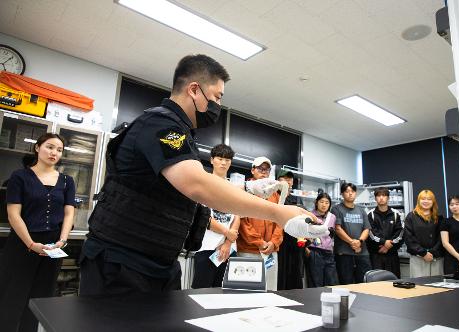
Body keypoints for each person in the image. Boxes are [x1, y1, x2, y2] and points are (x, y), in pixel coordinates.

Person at [79, 54, 327, 297]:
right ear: (194, 90)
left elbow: (187, 186)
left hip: (156, 262)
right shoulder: (161, 124)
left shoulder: (183, 134)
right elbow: (198, 185)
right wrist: (278, 213)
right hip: (121, 263)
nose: (218, 106)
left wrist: (248, 189)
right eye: (217, 97)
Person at [0, 133, 76, 332]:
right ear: (37, 148)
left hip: (53, 246)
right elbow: (13, 214)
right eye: (50, 147)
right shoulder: (20, 177)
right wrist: (31, 244)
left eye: (59, 150)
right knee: (13, 294)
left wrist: (62, 240)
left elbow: (69, 212)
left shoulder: (67, 181)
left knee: (41, 296)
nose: (54, 153)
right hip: (23, 244)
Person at [191, 144, 240, 288]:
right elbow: (202, 217)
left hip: (229, 249)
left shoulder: (234, 188)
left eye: (227, 160)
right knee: (201, 292)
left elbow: (237, 216)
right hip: (206, 246)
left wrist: (228, 242)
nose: (224, 163)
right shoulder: (203, 183)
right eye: (220, 158)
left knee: (226, 293)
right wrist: (227, 233)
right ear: (212, 160)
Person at [237, 157, 283, 291]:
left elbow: (281, 221)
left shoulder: (275, 194)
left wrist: (273, 243)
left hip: (270, 251)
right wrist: (259, 242)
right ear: (252, 170)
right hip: (248, 250)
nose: (263, 172)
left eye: (266, 169)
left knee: (270, 290)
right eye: (260, 169)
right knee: (248, 291)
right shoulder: (244, 190)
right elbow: (242, 221)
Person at [332, 182, 372, 284]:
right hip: (344, 253)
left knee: (364, 282)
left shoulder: (361, 210)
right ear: (342, 194)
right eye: (347, 191)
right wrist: (352, 242)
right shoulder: (336, 209)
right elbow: (337, 228)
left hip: (362, 253)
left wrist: (359, 241)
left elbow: (366, 229)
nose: (350, 194)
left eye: (352, 191)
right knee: (346, 283)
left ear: (356, 193)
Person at [404, 189, 443, 277]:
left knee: (437, 285)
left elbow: (441, 238)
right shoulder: (411, 216)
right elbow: (408, 237)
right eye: (423, 199)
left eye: (429, 199)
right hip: (418, 258)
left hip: (436, 258)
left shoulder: (439, 218)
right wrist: (423, 253)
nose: (426, 201)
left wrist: (432, 252)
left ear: (433, 201)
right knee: (420, 286)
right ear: (419, 200)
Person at [367, 187, 404, 278]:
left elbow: (400, 233)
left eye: (384, 195)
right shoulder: (370, 214)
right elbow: (370, 233)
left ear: (388, 198)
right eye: (378, 196)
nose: (381, 198)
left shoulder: (396, 214)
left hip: (392, 254)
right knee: (376, 283)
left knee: (394, 281)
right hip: (376, 255)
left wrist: (389, 245)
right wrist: (384, 242)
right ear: (375, 198)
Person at [277, 169, 305, 290]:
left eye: (290, 178)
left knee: (295, 275)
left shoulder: (297, 200)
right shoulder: (274, 197)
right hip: (279, 243)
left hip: (295, 244)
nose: (288, 181)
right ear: (278, 180)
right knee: (280, 275)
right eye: (285, 178)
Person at [305, 193, 338, 287]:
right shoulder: (310, 216)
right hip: (315, 251)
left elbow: (332, 235)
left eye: (327, 203)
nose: (324, 205)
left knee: (331, 282)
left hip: (328, 253)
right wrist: (307, 250)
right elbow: (303, 234)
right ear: (316, 202)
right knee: (316, 282)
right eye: (322, 202)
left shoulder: (332, 217)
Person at [440, 195, 459, 275]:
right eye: (451, 205)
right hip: (452, 259)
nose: (454, 207)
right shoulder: (445, 222)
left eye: (457, 204)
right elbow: (445, 243)